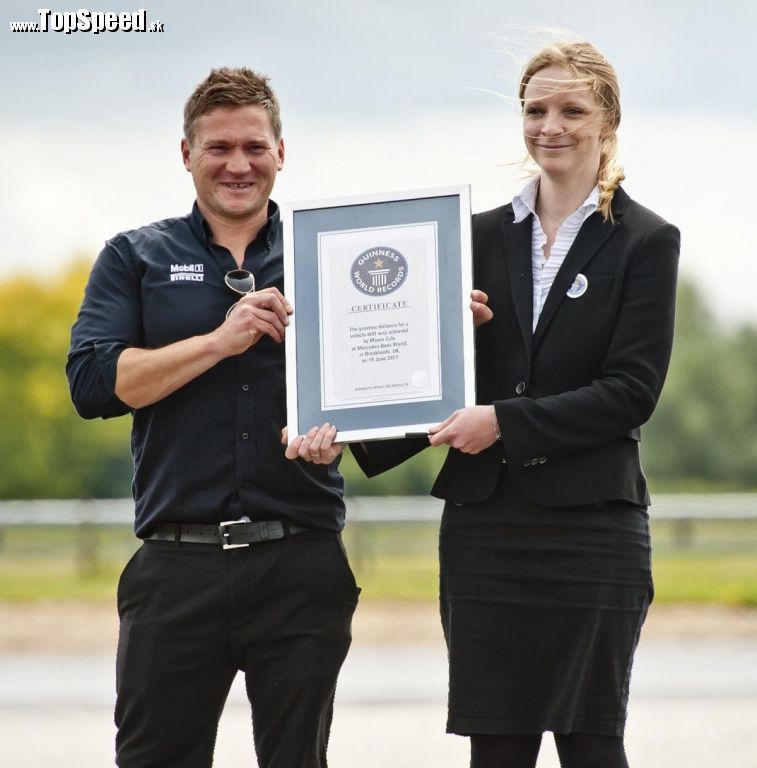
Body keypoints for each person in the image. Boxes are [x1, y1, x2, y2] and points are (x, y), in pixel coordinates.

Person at [289, 42, 679, 768]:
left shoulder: (646, 241)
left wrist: (501, 421)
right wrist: (345, 425)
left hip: (591, 530)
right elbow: (427, 376)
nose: (549, 126)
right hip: (484, 530)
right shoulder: (468, 237)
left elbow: (631, 393)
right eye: (535, 110)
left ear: (608, 120)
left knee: (592, 745)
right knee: (495, 748)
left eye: (570, 109)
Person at [67, 67, 360, 768]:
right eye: (219, 147)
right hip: (175, 566)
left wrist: (343, 439)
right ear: (186, 153)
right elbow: (93, 383)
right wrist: (218, 341)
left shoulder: (331, 256)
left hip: (302, 560)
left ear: (281, 152)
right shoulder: (135, 256)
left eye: (255, 147)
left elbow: (385, 394)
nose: (238, 164)